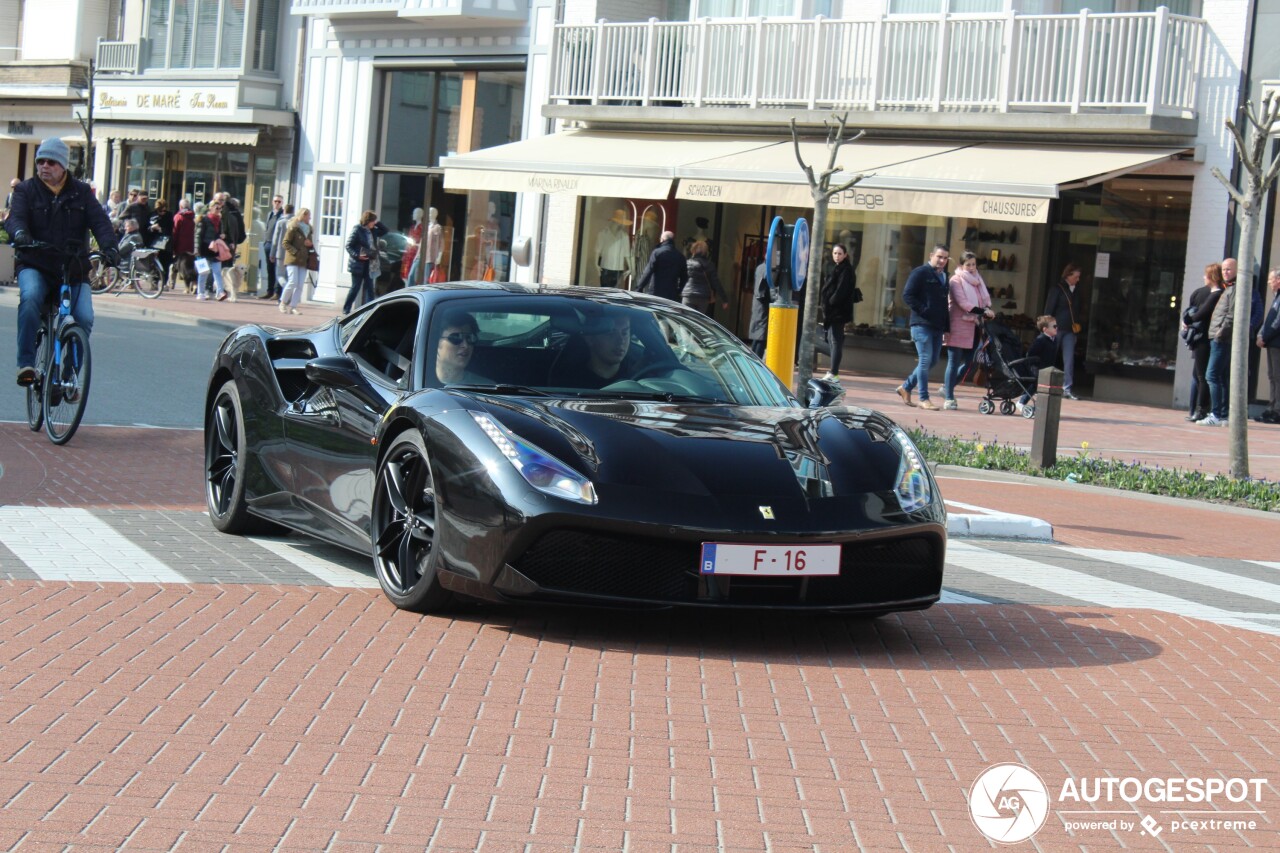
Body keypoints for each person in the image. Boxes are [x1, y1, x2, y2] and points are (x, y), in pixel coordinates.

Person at [3, 137, 118, 386]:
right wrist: (20, 234)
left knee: (84, 318)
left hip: (73, 268)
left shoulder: (82, 192)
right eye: (41, 161)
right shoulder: (25, 190)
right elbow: (15, 219)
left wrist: (110, 248)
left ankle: (70, 375)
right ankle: (26, 363)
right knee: (31, 296)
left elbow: (100, 222)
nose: (44, 166)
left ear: (63, 166)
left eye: (51, 162)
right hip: (35, 263)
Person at [895, 245, 951, 411]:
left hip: (937, 326)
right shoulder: (920, 272)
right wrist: (924, 310)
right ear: (931, 255)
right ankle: (924, 398)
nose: (942, 261)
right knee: (925, 360)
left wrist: (947, 328)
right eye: (939, 257)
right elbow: (907, 295)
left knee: (933, 360)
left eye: (945, 258)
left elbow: (944, 305)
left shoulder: (944, 277)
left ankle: (906, 387)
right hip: (921, 324)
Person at [941, 251, 994, 409]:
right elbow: (963, 303)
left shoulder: (978, 281)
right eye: (968, 264)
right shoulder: (956, 280)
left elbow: (984, 301)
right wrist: (982, 311)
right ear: (961, 266)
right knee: (954, 361)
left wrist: (986, 310)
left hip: (975, 326)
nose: (971, 268)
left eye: (973, 264)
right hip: (958, 325)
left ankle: (947, 387)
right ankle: (949, 397)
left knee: (970, 362)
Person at [1181, 263, 1224, 422]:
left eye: (1206, 275)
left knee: (1202, 375)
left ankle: (1202, 409)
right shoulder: (1213, 293)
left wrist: (1187, 320)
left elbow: (1201, 314)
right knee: (1199, 374)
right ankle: (1200, 409)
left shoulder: (1216, 294)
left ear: (1212, 277)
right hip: (1203, 337)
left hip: (1204, 338)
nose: (1203, 277)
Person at [553, 314, 636, 389]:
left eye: (624, 333)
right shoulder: (570, 384)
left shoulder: (638, 377)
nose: (620, 340)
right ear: (590, 339)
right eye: (610, 333)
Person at [1201, 266, 1238, 427]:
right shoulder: (1228, 289)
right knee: (1221, 377)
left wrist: (1220, 334)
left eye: (1229, 269)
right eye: (1223, 270)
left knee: (1212, 375)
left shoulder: (1235, 289)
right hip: (1218, 337)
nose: (1225, 272)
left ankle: (1216, 414)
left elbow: (1231, 315)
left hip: (1221, 339)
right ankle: (1222, 415)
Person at [1044, 262, 1085, 400]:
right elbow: (1049, 309)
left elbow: (1078, 311)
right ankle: (1044, 385)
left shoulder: (1077, 291)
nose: (1078, 279)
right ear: (1068, 275)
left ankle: (1067, 388)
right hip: (1057, 328)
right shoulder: (1057, 289)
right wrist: (1047, 327)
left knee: (1069, 360)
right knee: (1050, 356)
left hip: (1070, 330)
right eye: (1076, 276)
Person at [819, 242, 857, 381]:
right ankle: (832, 371)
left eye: (840, 253)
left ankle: (833, 372)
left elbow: (840, 290)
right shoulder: (836, 268)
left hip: (837, 312)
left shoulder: (845, 270)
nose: (837, 256)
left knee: (835, 341)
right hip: (833, 311)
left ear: (845, 255)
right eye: (835, 253)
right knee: (832, 340)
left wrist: (830, 302)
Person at [343, 210, 388, 313]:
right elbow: (348, 245)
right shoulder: (357, 229)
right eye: (373, 221)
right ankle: (346, 309)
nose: (374, 223)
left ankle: (369, 311)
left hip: (370, 263)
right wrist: (357, 256)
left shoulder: (374, 230)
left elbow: (385, 231)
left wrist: (378, 223)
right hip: (358, 264)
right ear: (368, 221)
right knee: (355, 288)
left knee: (369, 288)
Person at [1016, 315, 1060, 414]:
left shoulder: (1054, 340)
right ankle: (1021, 402)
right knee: (1036, 384)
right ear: (1045, 329)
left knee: (1045, 387)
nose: (1056, 328)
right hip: (1037, 367)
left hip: (1047, 368)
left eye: (1056, 326)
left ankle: (1041, 407)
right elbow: (1030, 354)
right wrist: (1035, 363)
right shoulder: (1040, 340)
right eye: (1054, 326)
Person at [434, 311, 485, 385]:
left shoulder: (486, 388)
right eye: (455, 338)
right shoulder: (416, 383)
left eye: (469, 338)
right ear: (435, 342)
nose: (465, 345)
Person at [1257, 268, 1280, 424]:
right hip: (1272, 343)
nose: (1269, 282)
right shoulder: (1276, 297)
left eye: (1271, 279)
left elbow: (1277, 322)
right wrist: (1261, 334)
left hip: (1277, 343)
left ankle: (1277, 410)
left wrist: (1264, 337)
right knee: (1272, 376)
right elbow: (1269, 319)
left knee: (1277, 377)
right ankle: (1272, 406)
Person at [279, 208, 313, 315]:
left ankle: (293, 306)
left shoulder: (309, 229)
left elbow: (309, 243)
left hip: (303, 260)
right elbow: (285, 243)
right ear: (303, 216)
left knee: (300, 284)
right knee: (292, 281)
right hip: (292, 259)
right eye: (308, 216)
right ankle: (283, 303)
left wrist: (310, 244)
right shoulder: (293, 227)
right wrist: (295, 251)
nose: (309, 218)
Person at [683, 240, 728, 316]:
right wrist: (724, 299)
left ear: (693, 250)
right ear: (706, 252)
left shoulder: (688, 263)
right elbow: (716, 282)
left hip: (689, 295)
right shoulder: (709, 265)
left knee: (686, 321)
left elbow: (682, 278)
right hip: (703, 297)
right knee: (699, 322)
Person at [195, 200, 226, 301]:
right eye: (216, 208)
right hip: (204, 249)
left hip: (215, 249)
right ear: (210, 208)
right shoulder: (204, 220)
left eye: (220, 208)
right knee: (203, 272)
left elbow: (218, 234)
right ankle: (200, 293)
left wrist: (222, 235)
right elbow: (198, 235)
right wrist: (196, 249)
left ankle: (220, 292)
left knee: (217, 272)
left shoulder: (220, 221)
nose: (218, 210)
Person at [594, 209, 632, 287]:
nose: (622, 224)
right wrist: (596, 264)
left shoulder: (624, 236)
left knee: (614, 291)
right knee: (604, 290)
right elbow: (597, 250)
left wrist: (630, 268)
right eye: (621, 222)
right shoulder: (603, 234)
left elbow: (627, 253)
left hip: (618, 269)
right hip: (605, 267)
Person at [258, 195, 284, 300]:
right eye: (275, 201)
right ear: (272, 202)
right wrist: (265, 242)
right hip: (268, 243)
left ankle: (278, 292)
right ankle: (269, 291)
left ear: (282, 203)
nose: (277, 203)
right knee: (269, 268)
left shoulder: (282, 215)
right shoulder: (270, 214)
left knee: (277, 268)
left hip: (277, 245)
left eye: (279, 201)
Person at [749, 253, 774, 358]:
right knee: (761, 335)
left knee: (758, 334)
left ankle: (753, 357)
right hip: (764, 304)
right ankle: (756, 359)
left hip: (758, 303)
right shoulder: (768, 270)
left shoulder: (759, 268)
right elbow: (772, 290)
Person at [171, 199, 196, 292]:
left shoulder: (178, 217)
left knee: (183, 267)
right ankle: (194, 285)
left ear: (180, 207)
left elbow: (175, 232)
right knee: (192, 266)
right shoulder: (194, 217)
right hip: (192, 246)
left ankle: (185, 287)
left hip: (181, 246)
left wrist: (173, 246)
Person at [273, 204, 295, 299]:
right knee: (288, 275)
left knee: (280, 275)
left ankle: (287, 291)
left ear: (284, 211)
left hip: (280, 252)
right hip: (291, 252)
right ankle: (284, 297)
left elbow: (275, 239)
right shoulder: (295, 222)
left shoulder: (281, 222)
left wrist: (272, 253)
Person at [149, 198, 173, 285]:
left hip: (165, 243)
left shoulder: (169, 215)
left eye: (164, 210)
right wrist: (152, 228)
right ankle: (154, 282)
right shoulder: (152, 215)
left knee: (165, 263)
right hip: (154, 243)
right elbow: (147, 228)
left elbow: (170, 229)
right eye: (160, 211)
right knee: (154, 263)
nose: (162, 212)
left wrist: (161, 229)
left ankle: (164, 282)